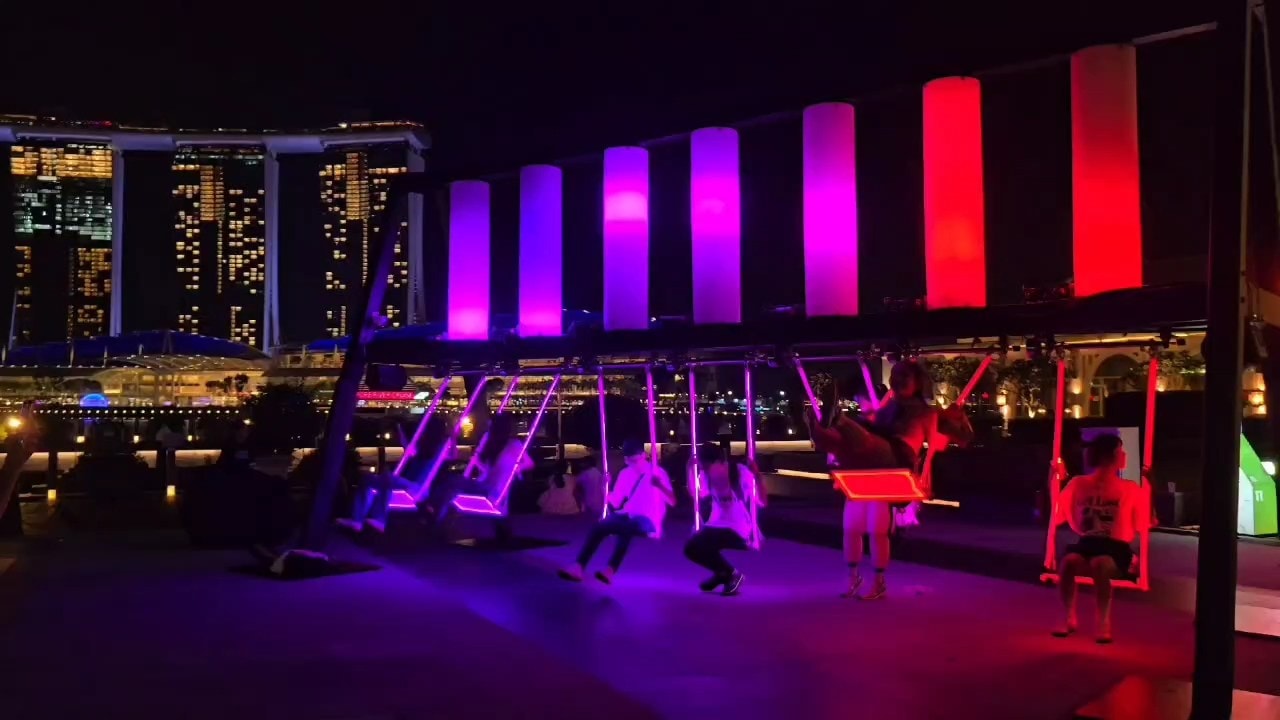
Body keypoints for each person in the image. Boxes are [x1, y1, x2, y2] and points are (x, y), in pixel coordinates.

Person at [808, 360, 972, 600]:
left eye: (904, 375)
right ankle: (853, 578)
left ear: (918, 381)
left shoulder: (928, 412)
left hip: (896, 458)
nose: (897, 380)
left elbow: (950, 440)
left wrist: (955, 421)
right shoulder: (888, 410)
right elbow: (870, 432)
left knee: (876, 529)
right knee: (850, 527)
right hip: (871, 463)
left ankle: (879, 582)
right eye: (894, 375)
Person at [1051, 434, 1144, 644]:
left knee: (1100, 564)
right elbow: (1057, 515)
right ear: (1108, 456)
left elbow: (1143, 523)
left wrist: (1149, 487)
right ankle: (1068, 616)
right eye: (1119, 451)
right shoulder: (1079, 484)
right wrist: (1054, 482)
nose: (1124, 455)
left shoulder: (1128, 488)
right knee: (1068, 562)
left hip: (1115, 547)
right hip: (1089, 542)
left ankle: (1103, 622)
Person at [558, 439, 675, 584]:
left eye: (635, 460)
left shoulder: (657, 473)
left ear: (643, 455)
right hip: (628, 513)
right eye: (629, 461)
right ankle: (579, 566)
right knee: (600, 527)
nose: (633, 464)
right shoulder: (625, 473)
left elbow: (672, 501)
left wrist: (659, 486)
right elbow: (615, 502)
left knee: (625, 528)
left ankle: (610, 570)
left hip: (649, 518)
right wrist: (604, 487)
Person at [336, 415, 449, 534]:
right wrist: (398, 426)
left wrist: (451, 433)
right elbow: (406, 445)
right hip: (406, 483)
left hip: (419, 488)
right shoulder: (420, 450)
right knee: (367, 479)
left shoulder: (439, 451)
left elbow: (451, 452)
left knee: (388, 478)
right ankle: (356, 519)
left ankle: (380, 518)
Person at [683, 444, 765, 595]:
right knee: (691, 548)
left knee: (704, 544)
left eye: (705, 466)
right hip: (716, 524)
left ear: (715, 462)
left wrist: (757, 475)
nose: (704, 470)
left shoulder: (739, 473)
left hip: (738, 527)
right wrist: (689, 468)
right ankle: (723, 574)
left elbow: (762, 501)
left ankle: (731, 574)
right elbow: (695, 494)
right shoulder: (706, 475)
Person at [576, 453, 606, 519]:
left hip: (589, 500)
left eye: (582, 462)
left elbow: (578, 486)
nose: (581, 464)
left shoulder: (584, 474)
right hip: (599, 500)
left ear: (587, 463)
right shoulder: (598, 472)